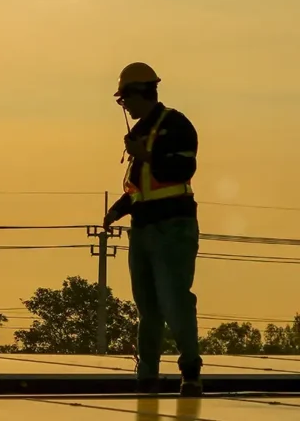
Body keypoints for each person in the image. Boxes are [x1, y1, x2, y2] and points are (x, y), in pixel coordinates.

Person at [103, 62, 203, 397]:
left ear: (141, 92)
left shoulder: (175, 125)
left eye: (125, 97)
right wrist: (118, 209)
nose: (124, 105)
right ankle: (147, 375)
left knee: (175, 300)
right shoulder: (141, 132)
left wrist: (145, 155)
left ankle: (190, 372)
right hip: (143, 228)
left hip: (173, 227)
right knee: (148, 307)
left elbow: (182, 167)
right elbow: (139, 187)